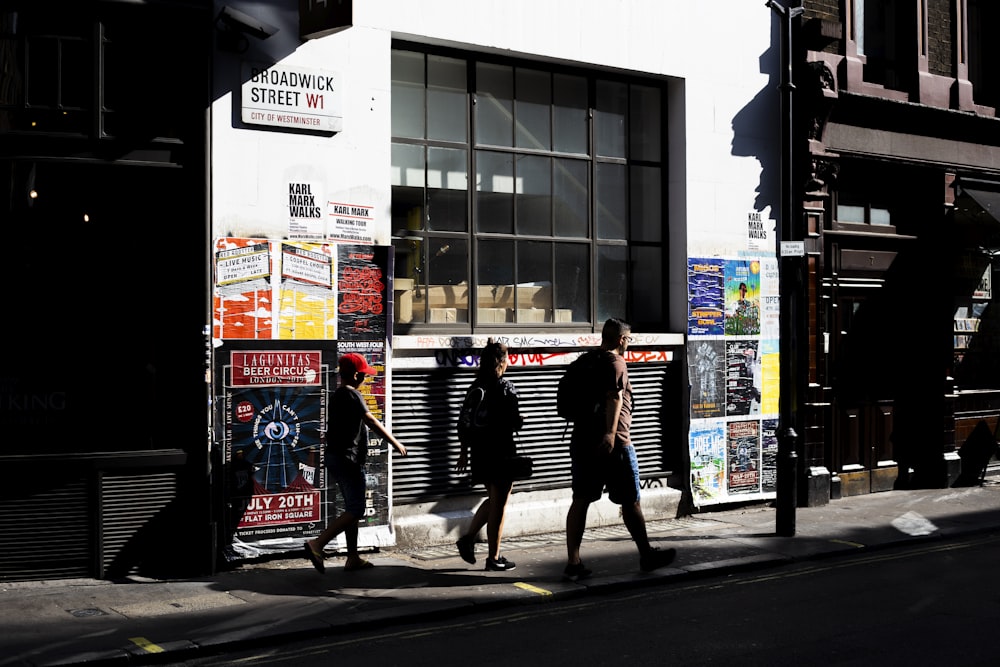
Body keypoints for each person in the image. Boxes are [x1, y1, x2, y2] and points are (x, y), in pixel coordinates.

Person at [563, 318, 677, 581]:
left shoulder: (585, 360)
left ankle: (573, 562)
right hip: (614, 443)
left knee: (580, 499)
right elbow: (614, 397)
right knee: (630, 501)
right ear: (622, 339)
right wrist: (611, 434)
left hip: (582, 440)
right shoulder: (616, 362)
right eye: (629, 339)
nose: (628, 343)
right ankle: (646, 554)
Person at [304, 352, 407, 573]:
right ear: (356, 375)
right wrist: (394, 442)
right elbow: (370, 420)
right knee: (357, 509)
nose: (365, 379)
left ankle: (352, 557)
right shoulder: (352, 395)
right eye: (364, 375)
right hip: (347, 459)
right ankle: (318, 544)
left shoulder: (338, 395)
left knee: (352, 507)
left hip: (337, 457)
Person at [454, 339, 524, 572]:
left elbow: (463, 422)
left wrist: (464, 452)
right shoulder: (505, 387)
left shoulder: (475, 387)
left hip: (480, 452)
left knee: (494, 499)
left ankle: (468, 539)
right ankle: (493, 557)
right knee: (500, 504)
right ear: (502, 362)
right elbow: (515, 421)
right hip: (501, 450)